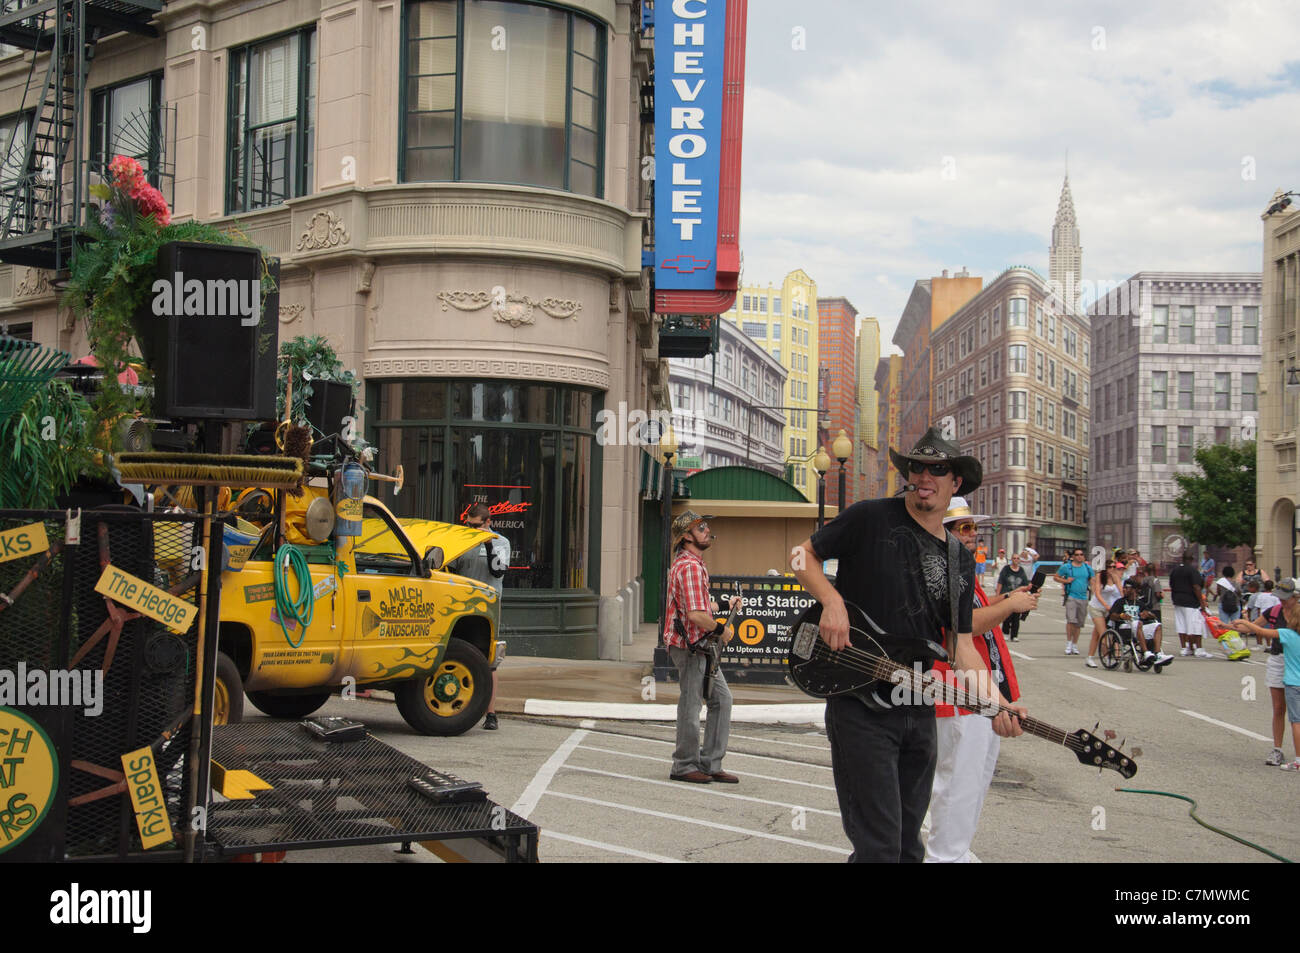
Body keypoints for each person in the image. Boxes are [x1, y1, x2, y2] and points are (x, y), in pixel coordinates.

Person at [791, 426, 1024, 863]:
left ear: (956, 483)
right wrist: (832, 602)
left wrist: (998, 703)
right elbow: (800, 556)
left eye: (938, 470)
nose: (924, 476)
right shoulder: (870, 517)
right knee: (878, 847)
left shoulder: (959, 558)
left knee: (907, 848)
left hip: (919, 710)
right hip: (860, 704)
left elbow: (961, 646)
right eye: (917, 467)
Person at [925, 497, 1037, 863]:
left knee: (975, 777)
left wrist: (1004, 598)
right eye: (965, 527)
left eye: (974, 527)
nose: (974, 534)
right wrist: (1009, 606)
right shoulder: (940, 567)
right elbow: (963, 625)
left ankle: (956, 850)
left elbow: (973, 609)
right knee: (959, 780)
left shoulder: (960, 567)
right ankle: (945, 855)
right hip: (957, 691)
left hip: (977, 688)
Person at [663, 510, 737, 784]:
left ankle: (709, 763)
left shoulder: (690, 564)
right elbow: (695, 615)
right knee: (691, 704)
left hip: (697, 645)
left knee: (721, 699)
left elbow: (698, 606)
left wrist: (725, 605)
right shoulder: (691, 567)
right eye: (700, 527)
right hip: (690, 646)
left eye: (706, 526)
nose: (707, 530)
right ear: (686, 537)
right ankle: (684, 765)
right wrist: (721, 629)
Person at [449, 502, 511, 729]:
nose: (472, 529)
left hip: (487, 609)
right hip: (462, 607)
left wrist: (488, 543)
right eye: (469, 525)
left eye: (476, 526)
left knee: (489, 662)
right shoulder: (462, 540)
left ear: (488, 522)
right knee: (457, 656)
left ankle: (491, 714)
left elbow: (498, 571)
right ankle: (458, 707)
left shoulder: (501, 542)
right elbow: (451, 570)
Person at [1235, 592, 1300, 770]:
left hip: (1293, 679)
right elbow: (1258, 628)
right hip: (1282, 666)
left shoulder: (1287, 633)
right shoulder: (1276, 613)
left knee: (1296, 720)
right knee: (1282, 710)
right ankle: (1281, 751)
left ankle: (1298, 760)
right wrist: (1229, 625)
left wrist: (1244, 621)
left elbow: (1260, 631)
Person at [1256, 578, 1298, 765]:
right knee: (1279, 708)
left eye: (1285, 597)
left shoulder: (1298, 612)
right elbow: (1255, 626)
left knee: (1297, 714)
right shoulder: (1274, 611)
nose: (1282, 600)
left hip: (1296, 661)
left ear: (1295, 596)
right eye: (1279, 597)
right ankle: (1277, 749)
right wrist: (1229, 627)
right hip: (1278, 659)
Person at [1106, 579, 1175, 668]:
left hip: (1138, 627)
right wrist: (1121, 615)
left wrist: (1148, 614)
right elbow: (1112, 616)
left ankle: (1158, 654)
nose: (1124, 589)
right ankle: (1146, 653)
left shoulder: (1140, 603)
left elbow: (1152, 615)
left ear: (1134, 590)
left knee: (1157, 625)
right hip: (1124, 628)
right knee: (1138, 623)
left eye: (1127, 588)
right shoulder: (1120, 602)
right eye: (1124, 587)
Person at [1169, 552, 1212, 657]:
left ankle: (1185, 648)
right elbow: (1196, 587)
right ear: (1192, 559)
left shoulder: (1175, 570)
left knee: (1181, 625)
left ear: (1182, 558)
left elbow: (1171, 585)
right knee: (1195, 625)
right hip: (1191, 602)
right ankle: (1198, 649)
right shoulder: (1192, 571)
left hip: (1178, 601)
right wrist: (1202, 602)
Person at [1086, 560, 1126, 668]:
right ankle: (1108, 654)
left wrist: (1125, 602)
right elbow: (1097, 593)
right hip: (1096, 607)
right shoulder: (1100, 576)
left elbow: (1121, 591)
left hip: (1109, 608)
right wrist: (1106, 605)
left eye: (1113, 567)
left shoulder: (1115, 577)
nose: (1111, 569)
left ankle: (1090, 657)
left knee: (1096, 634)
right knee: (1103, 633)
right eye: (1109, 567)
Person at [1055, 548, 1095, 656]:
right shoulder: (1067, 567)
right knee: (1071, 620)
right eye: (1077, 555)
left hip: (1083, 597)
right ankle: (1069, 643)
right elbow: (1056, 577)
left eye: (1081, 554)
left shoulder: (1087, 568)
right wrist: (1065, 581)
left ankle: (1074, 644)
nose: (1079, 556)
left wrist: (1094, 592)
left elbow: (1092, 580)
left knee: (1079, 623)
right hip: (1071, 597)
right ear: (1073, 557)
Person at [995, 551, 1030, 642]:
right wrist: (997, 595)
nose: (1016, 560)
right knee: (1007, 615)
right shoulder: (1006, 569)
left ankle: (1014, 635)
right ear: (1011, 559)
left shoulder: (1021, 570)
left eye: (1018, 558)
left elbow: (1025, 584)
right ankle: (1006, 632)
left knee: (1016, 617)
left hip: (1017, 597)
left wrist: (1026, 594)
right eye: (1014, 558)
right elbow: (1000, 582)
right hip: (1007, 595)